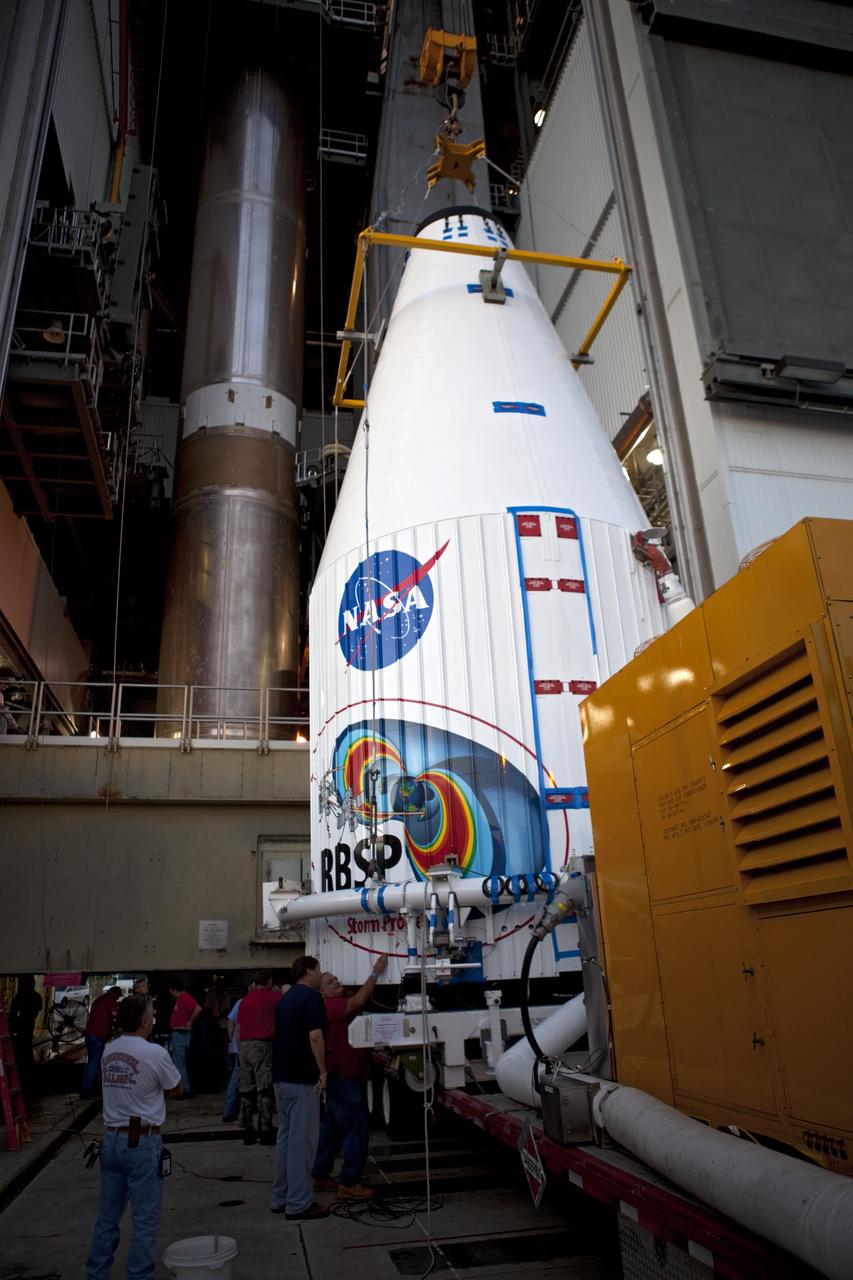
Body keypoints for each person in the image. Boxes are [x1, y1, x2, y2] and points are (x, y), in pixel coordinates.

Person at [86, 993, 182, 1279]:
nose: (153, 1017)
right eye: (151, 1013)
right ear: (143, 1021)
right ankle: (139, 1276)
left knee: (107, 1218)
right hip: (142, 1142)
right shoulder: (155, 1053)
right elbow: (176, 1087)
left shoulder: (109, 1049)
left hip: (111, 1139)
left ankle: (96, 1274)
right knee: (145, 1220)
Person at [312, 954, 388, 1199]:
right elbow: (358, 1002)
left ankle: (320, 1174)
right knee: (356, 1128)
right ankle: (349, 1182)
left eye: (335, 979)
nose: (337, 982)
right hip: (346, 1077)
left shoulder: (327, 1007)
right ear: (322, 991)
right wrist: (376, 972)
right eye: (330, 982)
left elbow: (347, 1037)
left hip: (339, 1077)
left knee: (331, 1129)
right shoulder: (331, 1006)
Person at [270, 956, 328, 1220]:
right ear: (309, 972)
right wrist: (323, 1071)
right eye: (318, 969)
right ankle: (298, 1203)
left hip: (281, 1078)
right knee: (302, 1143)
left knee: (285, 1139)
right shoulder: (312, 998)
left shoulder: (286, 998)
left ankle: (280, 1196)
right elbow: (315, 1035)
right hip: (303, 1079)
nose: (321, 973)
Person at [237, 970, 282, 1145]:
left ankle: (247, 1128)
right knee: (265, 1088)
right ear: (269, 981)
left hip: (244, 1045)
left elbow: (239, 1028)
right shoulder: (274, 997)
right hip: (262, 1044)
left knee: (246, 1089)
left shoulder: (246, 1000)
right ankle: (265, 1128)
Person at [81, 986, 123, 1099]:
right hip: (97, 1035)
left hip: (90, 1035)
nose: (117, 999)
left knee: (93, 1063)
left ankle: (93, 1089)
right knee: (94, 1065)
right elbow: (115, 1014)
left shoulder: (99, 1000)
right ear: (115, 994)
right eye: (118, 996)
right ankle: (87, 1092)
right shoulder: (110, 999)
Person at [10, 975, 42, 1095]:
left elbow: (15, 1015)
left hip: (22, 1030)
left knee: (22, 1054)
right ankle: (28, 1079)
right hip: (26, 1029)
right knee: (25, 1052)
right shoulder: (35, 997)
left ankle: (24, 1080)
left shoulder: (21, 998)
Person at [167, 979, 200, 1095]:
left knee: (179, 1062)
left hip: (181, 1033)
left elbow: (197, 1008)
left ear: (173, 989)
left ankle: (185, 1088)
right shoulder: (180, 999)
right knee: (181, 1062)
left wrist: (190, 1022)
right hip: (179, 1033)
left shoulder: (185, 997)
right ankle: (184, 1087)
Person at [222, 990, 246, 1123]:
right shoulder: (242, 1003)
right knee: (237, 1080)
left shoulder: (242, 1002)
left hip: (242, 1047)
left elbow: (231, 1020)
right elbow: (231, 1021)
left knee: (238, 1080)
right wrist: (231, 1042)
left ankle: (232, 1110)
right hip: (243, 1048)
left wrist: (231, 1041)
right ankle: (230, 1110)